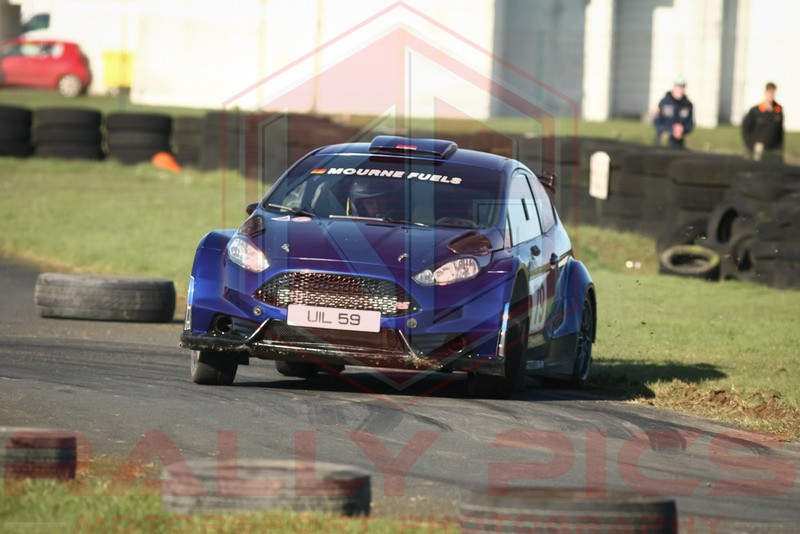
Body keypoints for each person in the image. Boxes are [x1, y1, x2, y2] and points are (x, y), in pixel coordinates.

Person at [741, 82, 784, 163]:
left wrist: (780, 147)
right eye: (769, 93)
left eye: (773, 93)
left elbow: (780, 131)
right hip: (759, 147)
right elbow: (746, 128)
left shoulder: (778, 110)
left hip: (774, 147)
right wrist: (750, 145)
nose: (771, 95)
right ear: (765, 93)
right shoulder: (756, 110)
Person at [653, 77, 694, 149]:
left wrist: (682, 129)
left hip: (678, 144)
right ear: (674, 87)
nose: (680, 89)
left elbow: (690, 124)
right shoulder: (664, 102)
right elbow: (656, 123)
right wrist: (672, 129)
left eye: (682, 87)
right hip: (662, 143)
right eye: (678, 86)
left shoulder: (687, 105)